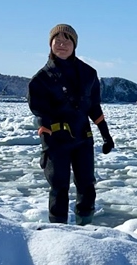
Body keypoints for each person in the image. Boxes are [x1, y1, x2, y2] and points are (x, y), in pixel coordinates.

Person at [27, 23, 115, 225]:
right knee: (59, 186)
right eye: (57, 40)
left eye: (67, 40)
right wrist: (46, 146)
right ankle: (59, 232)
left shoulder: (88, 74)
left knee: (87, 184)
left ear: (74, 44)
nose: (62, 44)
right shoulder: (40, 80)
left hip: (83, 138)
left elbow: (94, 108)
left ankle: (85, 225)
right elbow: (41, 115)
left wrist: (106, 135)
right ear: (50, 45)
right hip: (56, 141)